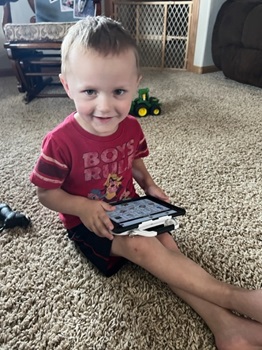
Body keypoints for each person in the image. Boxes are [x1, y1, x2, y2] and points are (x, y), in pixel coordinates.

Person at [30, 16, 262, 350]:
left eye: (119, 91)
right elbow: (45, 192)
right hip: (89, 222)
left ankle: (227, 327)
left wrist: (149, 185)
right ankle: (237, 298)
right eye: (90, 91)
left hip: (131, 207)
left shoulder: (130, 126)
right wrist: (82, 206)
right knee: (141, 247)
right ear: (67, 85)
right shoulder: (60, 141)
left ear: (136, 84)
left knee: (167, 247)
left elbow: (132, 159)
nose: (105, 106)